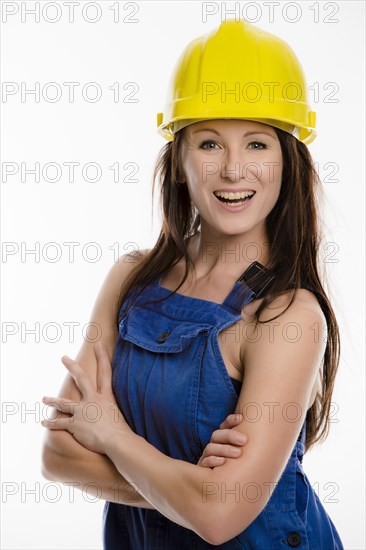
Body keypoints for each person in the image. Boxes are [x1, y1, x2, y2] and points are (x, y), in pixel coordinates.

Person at [41, 18, 345, 548]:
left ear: (287, 164)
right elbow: (58, 455)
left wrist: (111, 435)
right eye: (209, 143)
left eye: (256, 144)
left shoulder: (287, 316)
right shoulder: (130, 280)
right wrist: (200, 490)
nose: (232, 169)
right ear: (179, 161)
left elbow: (221, 518)